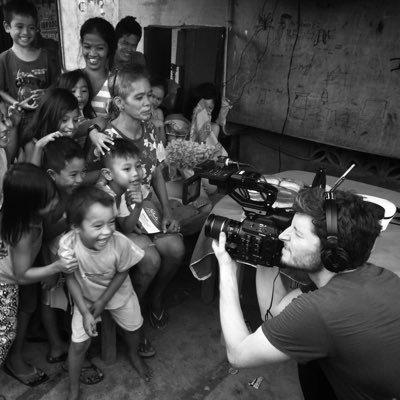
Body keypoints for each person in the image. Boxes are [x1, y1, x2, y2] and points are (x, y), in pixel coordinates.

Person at [212, 187, 400, 400]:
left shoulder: (322, 309)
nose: (283, 235)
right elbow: (277, 311)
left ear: (331, 252)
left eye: (297, 234)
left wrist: (226, 269)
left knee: (309, 366)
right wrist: (265, 253)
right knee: (309, 362)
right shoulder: (377, 275)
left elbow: (238, 355)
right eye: (288, 227)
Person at [95, 66, 185, 330]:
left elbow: (156, 172)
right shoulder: (106, 140)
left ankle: (154, 298)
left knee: (175, 250)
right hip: (117, 214)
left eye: (149, 96)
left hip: (145, 206)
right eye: (139, 98)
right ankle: (132, 318)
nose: (148, 103)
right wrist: (127, 210)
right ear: (120, 103)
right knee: (150, 260)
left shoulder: (150, 130)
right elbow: (98, 186)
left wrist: (167, 212)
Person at [62, 185, 152, 400]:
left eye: (111, 222)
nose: (107, 231)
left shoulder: (119, 242)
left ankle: (132, 352)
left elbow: (122, 273)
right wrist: (85, 312)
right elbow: (70, 278)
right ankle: (74, 389)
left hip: (119, 293)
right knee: (78, 346)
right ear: (76, 227)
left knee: (134, 328)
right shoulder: (68, 245)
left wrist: (102, 302)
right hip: (85, 300)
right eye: (97, 225)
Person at [0, 163, 78, 384]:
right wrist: (55, 267)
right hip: (4, 286)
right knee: (4, 335)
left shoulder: (20, 210)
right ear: (29, 206)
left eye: (52, 195)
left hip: (9, 278)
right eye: (49, 201)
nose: (54, 202)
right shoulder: (24, 232)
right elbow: (22, 275)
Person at [0, 1, 59, 131]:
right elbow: (1, 91)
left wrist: (46, 93)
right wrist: (16, 103)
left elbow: (57, 83)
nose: (25, 32)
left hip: (46, 120)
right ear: (7, 26)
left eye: (31, 27)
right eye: (19, 26)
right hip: (18, 123)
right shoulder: (3, 59)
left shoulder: (46, 56)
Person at [19, 87, 80, 164]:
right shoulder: (32, 144)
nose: (72, 126)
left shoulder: (65, 137)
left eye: (75, 120)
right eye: (64, 120)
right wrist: (39, 147)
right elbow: (31, 174)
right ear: (49, 117)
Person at [80, 17, 116, 119]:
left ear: (109, 49)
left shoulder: (117, 85)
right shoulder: (71, 81)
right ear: (81, 44)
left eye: (100, 48)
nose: (92, 54)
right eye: (87, 47)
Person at [149, 77, 167, 147]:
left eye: (159, 99)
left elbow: (162, 143)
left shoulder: (158, 112)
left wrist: (160, 124)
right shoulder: (138, 111)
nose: (155, 101)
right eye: (152, 96)